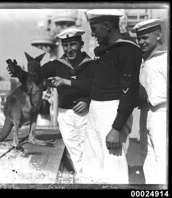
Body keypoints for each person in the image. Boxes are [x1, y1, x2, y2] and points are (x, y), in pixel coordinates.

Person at [50, 9, 142, 184]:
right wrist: (67, 83)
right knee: (91, 167)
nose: (92, 34)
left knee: (113, 168)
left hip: (112, 113)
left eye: (94, 28)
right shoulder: (103, 51)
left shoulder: (128, 51)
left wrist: (116, 128)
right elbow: (93, 85)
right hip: (95, 113)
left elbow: (129, 92)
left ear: (107, 26)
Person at [12, 28, 93, 174]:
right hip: (65, 115)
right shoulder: (56, 65)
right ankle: (84, 181)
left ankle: (90, 180)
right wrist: (18, 72)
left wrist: (87, 100)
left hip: (87, 114)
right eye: (65, 45)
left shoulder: (92, 65)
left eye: (73, 44)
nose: (69, 49)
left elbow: (98, 87)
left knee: (90, 150)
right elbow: (34, 77)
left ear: (81, 44)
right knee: (74, 152)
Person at [132, 19, 168, 184]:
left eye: (145, 37)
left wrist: (150, 97)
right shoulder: (143, 60)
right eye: (139, 38)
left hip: (162, 113)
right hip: (145, 113)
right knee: (146, 154)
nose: (141, 42)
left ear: (159, 35)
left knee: (162, 156)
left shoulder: (165, 58)